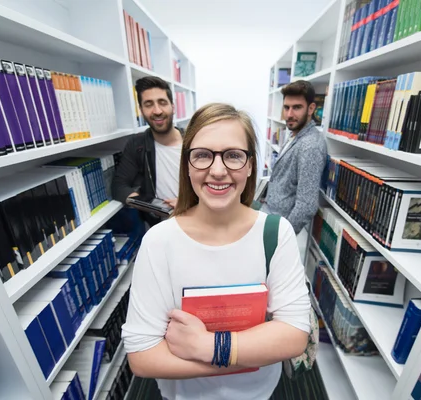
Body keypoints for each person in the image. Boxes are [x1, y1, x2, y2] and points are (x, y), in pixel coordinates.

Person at [121, 103, 310, 400]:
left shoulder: (276, 233)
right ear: (187, 164)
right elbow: (143, 356)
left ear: (250, 165)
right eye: (202, 156)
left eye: (234, 155)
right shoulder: (159, 241)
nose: (218, 171)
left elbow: (295, 334)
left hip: (259, 393)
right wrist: (243, 358)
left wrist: (206, 348)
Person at [112, 76, 183, 227]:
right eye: (149, 104)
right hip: (161, 228)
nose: (157, 111)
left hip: (198, 222)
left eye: (162, 103)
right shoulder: (137, 144)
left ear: (173, 107)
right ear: (141, 110)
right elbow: (119, 186)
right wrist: (150, 205)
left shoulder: (194, 142)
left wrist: (188, 204)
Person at [262, 80, 327, 234]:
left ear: (311, 108)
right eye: (286, 107)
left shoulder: (310, 146)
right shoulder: (295, 134)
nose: (289, 114)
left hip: (279, 228)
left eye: (297, 108)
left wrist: (282, 238)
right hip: (270, 214)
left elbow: (307, 205)